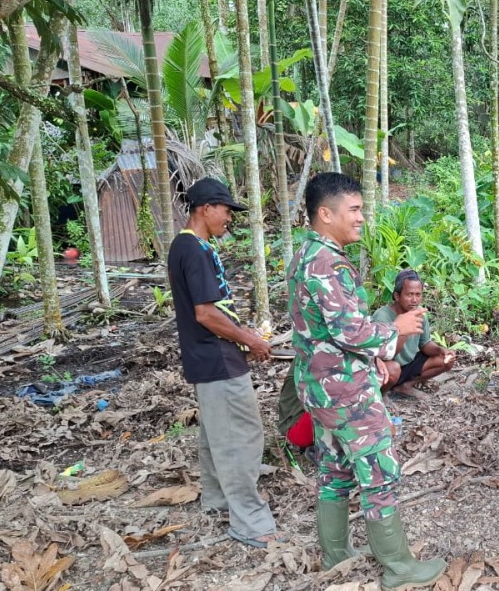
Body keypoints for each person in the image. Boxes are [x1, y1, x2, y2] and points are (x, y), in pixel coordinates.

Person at [287, 172, 446, 587]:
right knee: (379, 471)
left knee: (335, 467)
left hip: (320, 386)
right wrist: (399, 329)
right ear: (326, 213)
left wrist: (370, 358)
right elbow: (350, 330)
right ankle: (399, 567)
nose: (361, 218)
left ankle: (335, 554)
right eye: (354, 210)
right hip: (345, 391)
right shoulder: (328, 263)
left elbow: (325, 332)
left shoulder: (305, 253)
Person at [167, 177, 285, 548]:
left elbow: (214, 310)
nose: (229, 218)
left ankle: (216, 500)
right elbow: (205, 313)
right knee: (241, 437)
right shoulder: (196, 251)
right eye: (226, 210)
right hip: (216, 358)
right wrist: (249, 339)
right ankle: (249, 521)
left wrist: (242, 333)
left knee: (216, 434)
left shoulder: (184, 247)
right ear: (205, 209)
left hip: (210, 356)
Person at [373, 269, 456, 400]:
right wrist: (403, 330)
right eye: (409, 294)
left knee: (446, 361)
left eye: (418, 294)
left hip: (408, 363)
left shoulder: (419, 313)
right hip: (387, 365)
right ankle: (382, 395)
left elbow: (425, 344)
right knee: (393, 368)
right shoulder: (382, 316)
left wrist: (441, 350)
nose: (414, 300)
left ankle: (405, 386)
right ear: (397, 296)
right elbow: (386, 355)